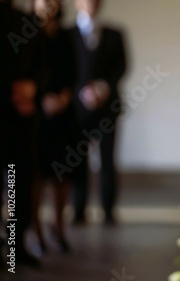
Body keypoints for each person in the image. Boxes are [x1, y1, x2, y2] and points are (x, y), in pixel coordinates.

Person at [69, 0, 126, 225]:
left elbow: (122, 66)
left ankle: (109, 210)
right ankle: (78, 209)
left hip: (108, 108)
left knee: (108, 160)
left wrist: (102, 88)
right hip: (77, 109)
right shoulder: (68, 35)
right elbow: (65, 68)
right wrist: (80, 92)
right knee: (77, 159)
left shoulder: (114, 33)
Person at [0, 0, 47, 266]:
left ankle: (15, 249)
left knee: (18, 184)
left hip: (20, 122)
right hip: (13, 113)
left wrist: (33, 88)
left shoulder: (27, 23)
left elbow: (43, 66)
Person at [32, 0, 76, 253]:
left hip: (63, 113)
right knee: (35, 175)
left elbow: (74, 71)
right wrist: (42, 99)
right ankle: (35, 231)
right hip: (35, 114)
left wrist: (64, 98)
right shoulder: (24, 31)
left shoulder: (65, 35)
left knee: (62, 173)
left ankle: (58, 228)